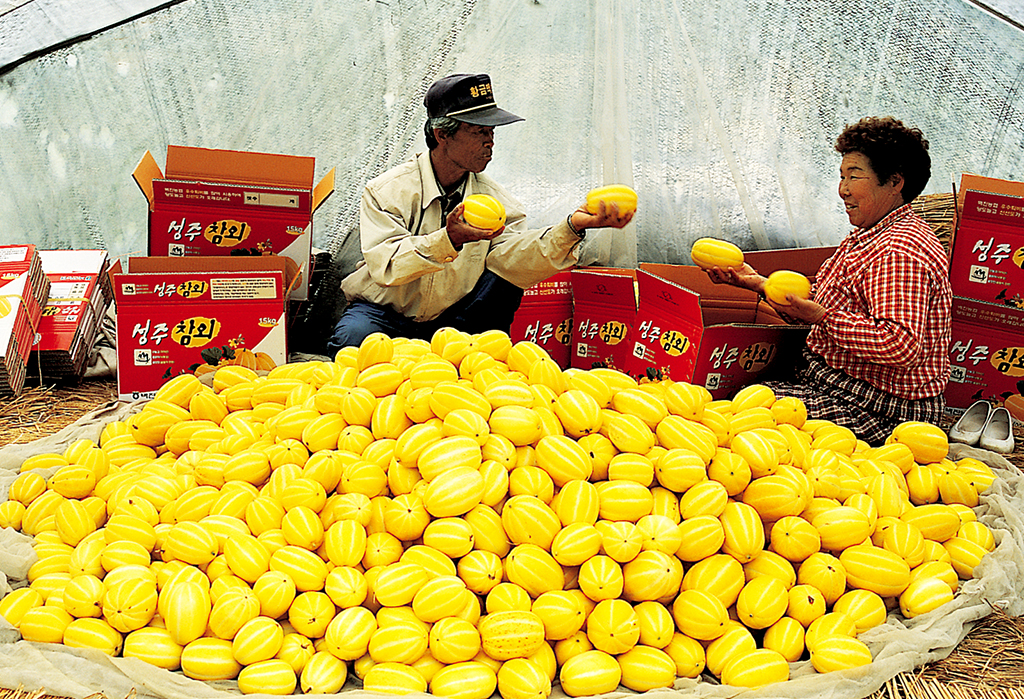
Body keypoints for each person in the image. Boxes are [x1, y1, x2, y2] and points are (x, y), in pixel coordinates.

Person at [327, 73, 633, 355]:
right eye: (477, 132)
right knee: (352, 344)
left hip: (455, 320)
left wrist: (572, 227)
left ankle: (477, 354)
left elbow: (515, 259)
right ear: (441, 134)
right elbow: (387, 265)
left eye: (491, 132)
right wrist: (449, 239)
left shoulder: (496, 200)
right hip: (386, 316)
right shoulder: (387, 191)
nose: (490, 142)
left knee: (505, 280)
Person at [706, 116, 951, 445]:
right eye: (841, 176)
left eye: (854, 176)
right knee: (740, 400)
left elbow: (899, 344)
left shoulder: (900, 251)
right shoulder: (867, 236)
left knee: (746, 417)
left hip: (882, 409)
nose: (842, 190)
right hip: (834, 384)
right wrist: (757, 284)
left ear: (895, 182)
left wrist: (822, 318)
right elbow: (818, 306)